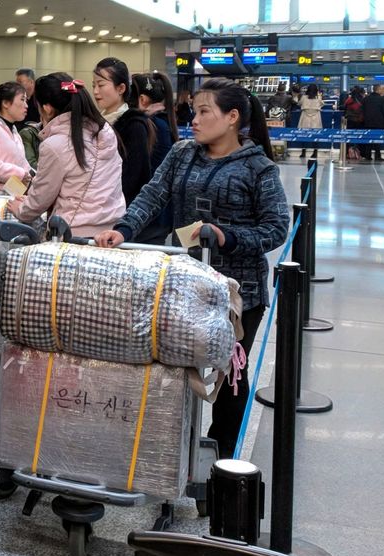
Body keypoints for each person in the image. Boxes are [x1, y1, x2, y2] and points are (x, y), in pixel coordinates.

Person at [93, 77, 289, 459]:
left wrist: (226, 235)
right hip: (185, 287)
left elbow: (276, 228)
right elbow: (153, 193)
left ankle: (222, 458)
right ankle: (174, 452)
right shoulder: (183, 152)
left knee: (230, 375)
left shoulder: (259, 168)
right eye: (193, 111)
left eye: (204, 112)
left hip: (238, 294)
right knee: (176, 369)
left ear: (232, 117)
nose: (194, 120)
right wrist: (124, 228)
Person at [9, 74, 124, 237]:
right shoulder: (105, 132)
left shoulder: (55, 145)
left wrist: (21, 210)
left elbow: (40, 198)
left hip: (73, 232)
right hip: (112, 231)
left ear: (47, 108)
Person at [93, 57, 155, 205]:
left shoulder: (134, 125)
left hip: (119, 208)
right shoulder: (95, 122)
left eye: (101, 85)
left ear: (121, 88)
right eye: (93, 85)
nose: (95, 91)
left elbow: (133, 177)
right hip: (96, 204)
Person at [132, 72, 178, 244]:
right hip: (158, 215)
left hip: (147, 215)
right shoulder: (165, 123)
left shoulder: (150, 126)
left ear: (142, 100)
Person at [361, 85, 384, 161]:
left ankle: (367, 156)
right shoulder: (382, 99)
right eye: (381, 89)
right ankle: (377, 156)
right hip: (379, 123)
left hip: (367, 122)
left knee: (368, 140)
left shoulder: (366, 99)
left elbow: (362, 110)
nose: (381, 90)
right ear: (377, 90)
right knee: (377, 140)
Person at [298, 84, 323, 159]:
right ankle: (315, 152)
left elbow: (299, 103)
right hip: (316, 118)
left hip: (305, 117)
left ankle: (303, 152)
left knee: (303, 135)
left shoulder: (304, 97)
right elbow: (322, 104)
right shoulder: (318, 98)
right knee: (315, 136)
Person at [344, 86, 367, 159]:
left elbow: (345, 109)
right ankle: (360, 153)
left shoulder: (349, 100)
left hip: (350, 121)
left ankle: (348, 153)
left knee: (348, 138)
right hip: (360, 121)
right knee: (360, 138)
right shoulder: (363, 100)